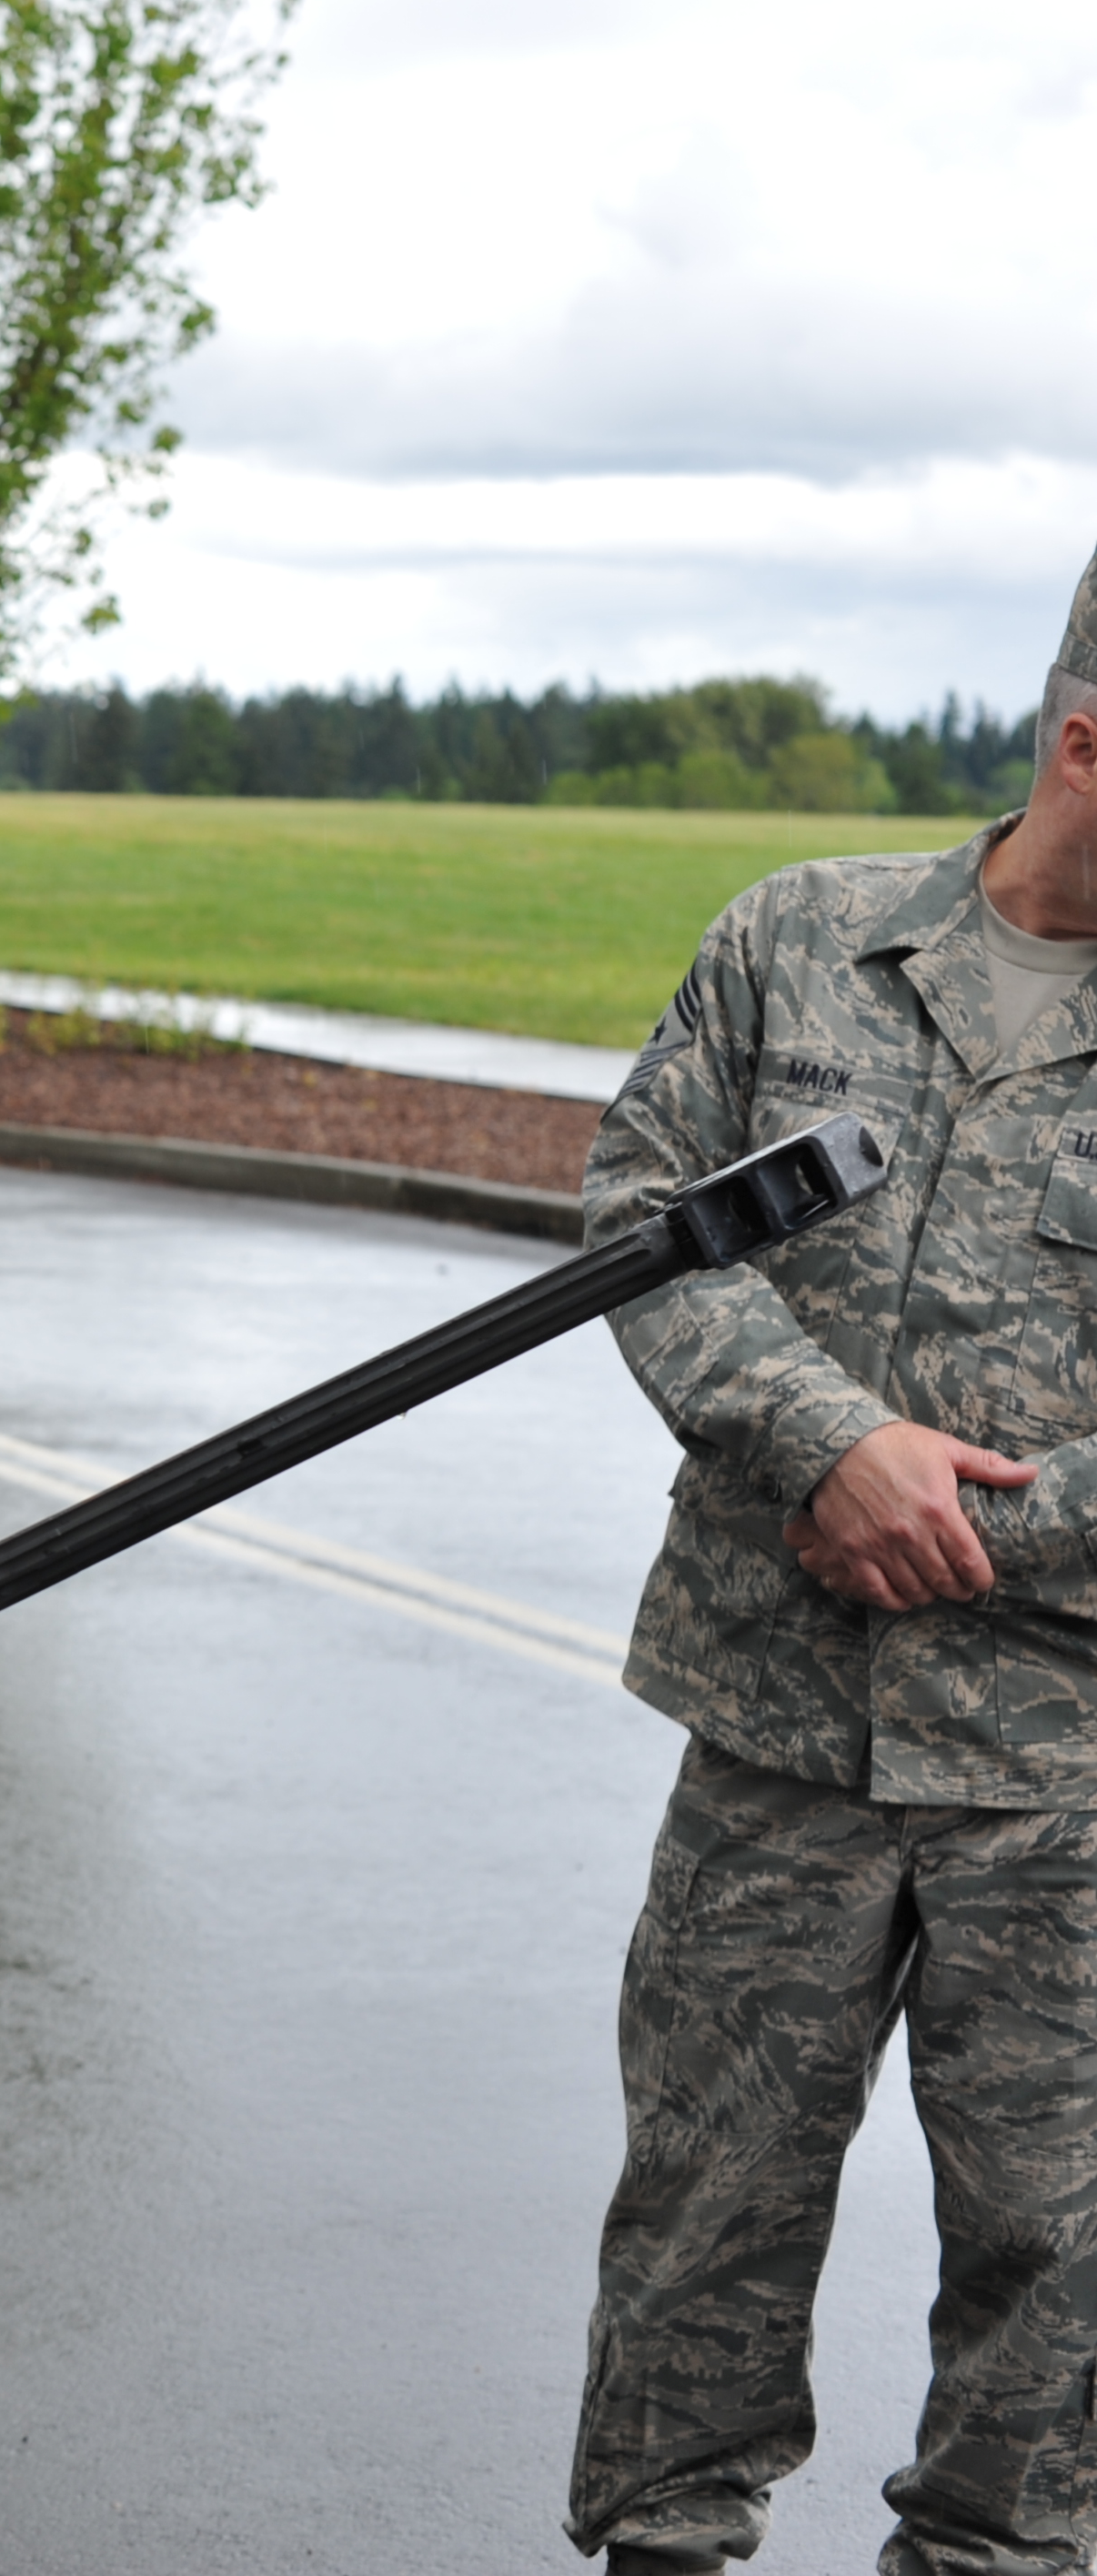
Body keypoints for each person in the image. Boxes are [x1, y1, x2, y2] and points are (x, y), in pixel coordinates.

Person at [571, 543, 1097, 2576]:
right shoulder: (797, 943)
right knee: (707, 2211)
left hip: (1061, 1774)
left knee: (1058, 2279)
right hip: (773, 1733)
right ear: (1080, 745)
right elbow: (638, 1213)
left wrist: (955, 1518)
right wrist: (822, 1441)